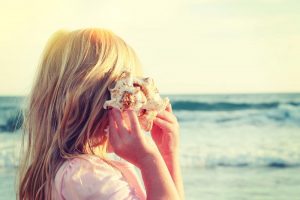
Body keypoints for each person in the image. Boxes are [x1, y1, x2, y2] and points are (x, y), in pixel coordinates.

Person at [18, 28, 185, 200]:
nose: (136, 105)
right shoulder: (89, 178)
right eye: (130, 94)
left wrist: (167, 156)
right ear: (102, 101)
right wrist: (150, 161)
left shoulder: (69, 173)